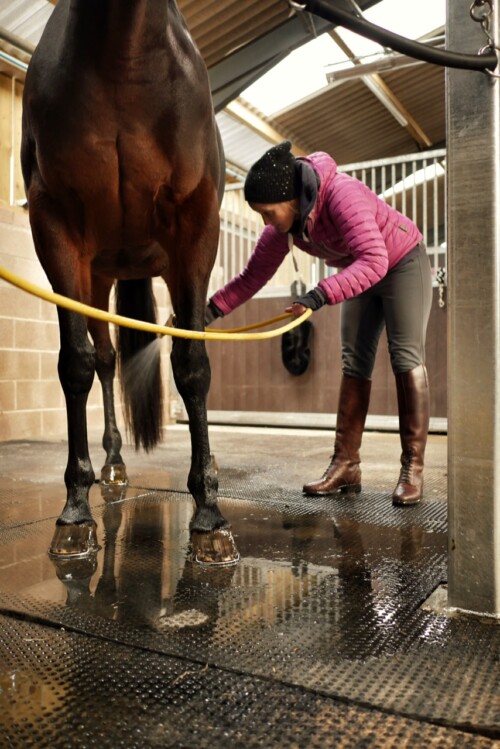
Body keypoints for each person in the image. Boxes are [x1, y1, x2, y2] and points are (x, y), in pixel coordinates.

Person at [205, 141, 432, 506]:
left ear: (291, 198)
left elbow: (375, 259)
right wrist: (208, 312)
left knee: (405, 356)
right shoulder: (284, 227)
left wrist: (319, 294)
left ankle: (412, 469)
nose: (265, 222)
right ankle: (346, 465)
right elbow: (251, 278)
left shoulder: (341, 194)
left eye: (267, 213)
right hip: (361, 267)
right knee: (354, 361)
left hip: (401, 261)